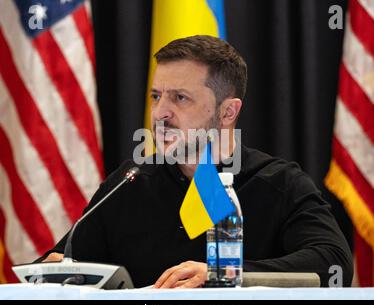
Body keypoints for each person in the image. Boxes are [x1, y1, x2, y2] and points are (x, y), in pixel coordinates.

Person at [39, 35, 353, 288]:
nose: (160, 112)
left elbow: (334, 264)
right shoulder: (130, 181)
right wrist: (52, 270)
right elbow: (63, 261)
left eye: (180, 98)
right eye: (156, 96)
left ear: (228, 112)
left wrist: (225, 275)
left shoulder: (278, 183)